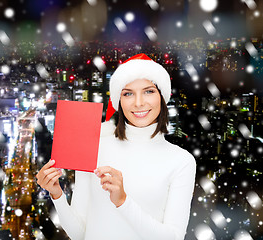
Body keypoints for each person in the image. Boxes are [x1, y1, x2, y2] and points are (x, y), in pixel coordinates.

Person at [36, 53, 196, 240]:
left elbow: (173, 237)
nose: (139, 103)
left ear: (162, 96)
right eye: (128, 93)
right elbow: (80, 234)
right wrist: (57, 195)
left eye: (149, 91)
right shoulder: (95, 146)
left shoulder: (181, 161)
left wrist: (122, 201)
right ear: (118, 100)